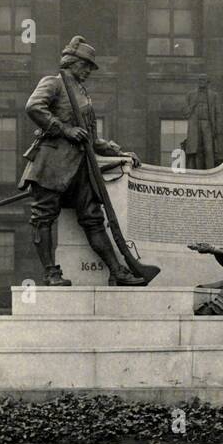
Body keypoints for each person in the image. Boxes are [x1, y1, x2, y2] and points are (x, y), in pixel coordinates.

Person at [19, 35, 143, 287]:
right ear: (71, 62)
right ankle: (51, 274)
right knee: (43, 217)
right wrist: (64, 129)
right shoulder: (53, 83)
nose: (87, 71)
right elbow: (33, 106)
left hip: (81, 169)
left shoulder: (83, 94)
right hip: (51, 165)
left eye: (89, 67)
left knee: (93, 219)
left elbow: (92, 140)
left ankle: (117, 271)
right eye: (84, 65)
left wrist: (119, 152)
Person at [182, 74, 220, 169]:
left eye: (203, 80)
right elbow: (184, 111)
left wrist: (217, 128)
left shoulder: (213, 95)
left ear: (207, 82)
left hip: (207, 123)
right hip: (194, 125)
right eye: (199, 80)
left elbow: (217, 112)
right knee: (196, 149)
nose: (201, 81)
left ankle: (210, 170)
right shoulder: (190, 95)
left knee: (208, 149)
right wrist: (192, 105)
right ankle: (198, 172)